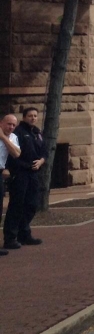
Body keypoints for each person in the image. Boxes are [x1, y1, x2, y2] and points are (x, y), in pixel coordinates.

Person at [3, 107, 45, 250]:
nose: (33, 118)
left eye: (35, 115)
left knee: (32, 204)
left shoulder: (37, 133)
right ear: (24, 117)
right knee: (17, 205)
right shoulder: (18, 133)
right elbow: (14, 155)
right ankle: (10, 237)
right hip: (20, 173)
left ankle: (24, 233)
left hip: (34, 173)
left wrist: (41, 161)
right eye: (30, 116)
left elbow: (44, 151)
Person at [0, 113, 22, 255]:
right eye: (9, 124)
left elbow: (16, 153)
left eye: (14, 125)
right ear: (1, 123)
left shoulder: (12, 137)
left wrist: (3, 138)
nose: (11, 127)